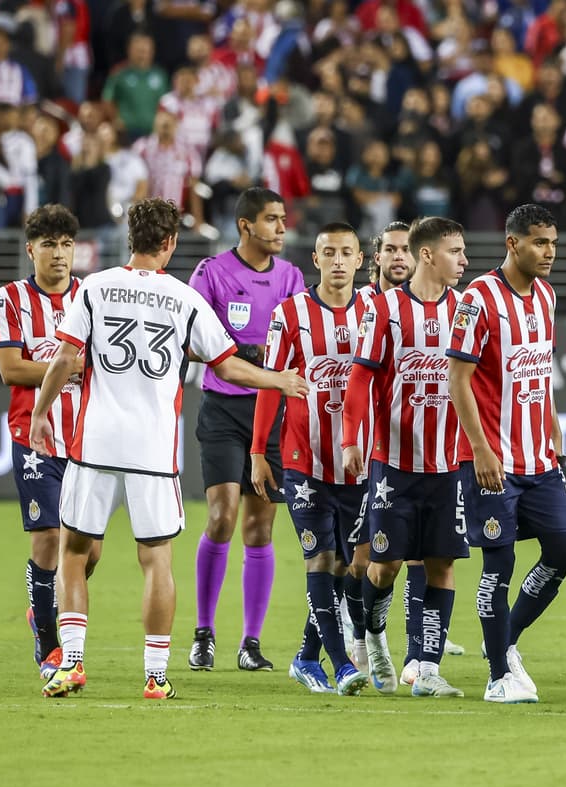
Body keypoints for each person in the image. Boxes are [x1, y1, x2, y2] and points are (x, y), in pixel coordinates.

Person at [32, 197, 308, 700]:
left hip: (95, 441)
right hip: (154, 450)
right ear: (170, 243)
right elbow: (226, 366)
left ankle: (70, 664)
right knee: (156, 559)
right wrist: (278, 380)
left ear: (129, 239)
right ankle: (156, 676)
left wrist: (38, 415)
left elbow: (66, 357)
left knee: (74, 552)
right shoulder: (184, 299)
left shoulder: (93, 287)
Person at [447, 203, 566, 704]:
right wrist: (480, 449)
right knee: (496, 568)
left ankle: (504, 646)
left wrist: (554, 435)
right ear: (512, 243)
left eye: (553, 243)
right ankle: (498, 676)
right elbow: (456, 380)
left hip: (538, 460)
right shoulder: (478, 299)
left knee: (563, 552)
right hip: (492, 460)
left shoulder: (546, 296)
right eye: (539, 243)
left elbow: (539, 374)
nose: (548, 253)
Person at [340, 216, 471, 698]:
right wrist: (352, 438)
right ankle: (372, 633)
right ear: (428, 254)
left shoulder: (465, 308)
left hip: (447, 462)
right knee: (386, 566)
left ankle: (428, 669)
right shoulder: (386, 309)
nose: (464, 260)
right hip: (393, 462)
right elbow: (361, 377)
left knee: (441, 563)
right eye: (456, 251)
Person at [250, 222, 372, 696]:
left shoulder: (375, 313)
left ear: (361, 260)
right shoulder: (291, 314)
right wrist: (260, 451)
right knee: (319, 558)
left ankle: (305, 657)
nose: (339, 260)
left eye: (347, 252)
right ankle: (341, 664)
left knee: (344, 566)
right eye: (329, 252)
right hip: (304, 458)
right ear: (315, 261)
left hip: (359, 463)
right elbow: (272, 384)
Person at [188, 187, 307, 674]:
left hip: (272, 412)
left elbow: (301, 337)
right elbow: (192, 341)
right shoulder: (211, 273)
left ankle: (251, 642)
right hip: (222, 408)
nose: (281, 228)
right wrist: (244, 353)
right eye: (272, 219)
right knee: (223, 514)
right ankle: (203, 633)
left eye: (282, 219)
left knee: (260, 526)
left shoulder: (291, 276)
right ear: (245, 226)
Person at [0, 204, 100, 680]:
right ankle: (50, 646)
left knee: (88, 551)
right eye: (50, 244)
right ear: (31, 249)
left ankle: (45, 599)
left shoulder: (91, 297)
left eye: (67, 244)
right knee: (49, 538)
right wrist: (68, 366)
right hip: (34, 436)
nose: (60, 254)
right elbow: (11, 368)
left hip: (89, 438)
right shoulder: (11, 298)